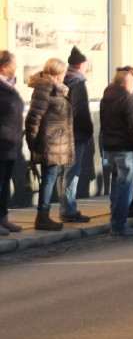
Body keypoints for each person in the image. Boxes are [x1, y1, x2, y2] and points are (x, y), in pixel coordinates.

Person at [25, 58, 74, 231]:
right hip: (49, 143)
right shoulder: (45, 88)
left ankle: (43, 215)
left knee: (50, 178)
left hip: (55, 143)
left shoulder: (56, 88)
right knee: (49, 178)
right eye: (63, 72)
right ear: (56, 72)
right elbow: (33, 118)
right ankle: (42, 217)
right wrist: (33, 143)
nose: (65, 74)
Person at [100, 68, 133, 236]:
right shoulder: (128, 99)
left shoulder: (106, 98)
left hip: (111, 147)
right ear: (127, 84)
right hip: (127, 148)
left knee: (117, 184)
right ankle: (119, 224)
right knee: (125, 187)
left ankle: (115, 219)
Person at [59, 46, 93, 223]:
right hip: (76, 133)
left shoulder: (63, 79)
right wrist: (88, 130)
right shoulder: (78, 83)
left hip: (62, 132)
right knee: (71, 172)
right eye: (86, 64)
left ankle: (64, 207)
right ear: (80, 65)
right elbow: (80, 110)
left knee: (63, 171)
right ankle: (68, 209)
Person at [0, 51, 24, 235]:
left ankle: (3, 218)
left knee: (5, 185)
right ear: (4, 66)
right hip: (1, 144)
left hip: (11, 144)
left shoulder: (10, 86)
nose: (16, 66)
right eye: (13, 63)